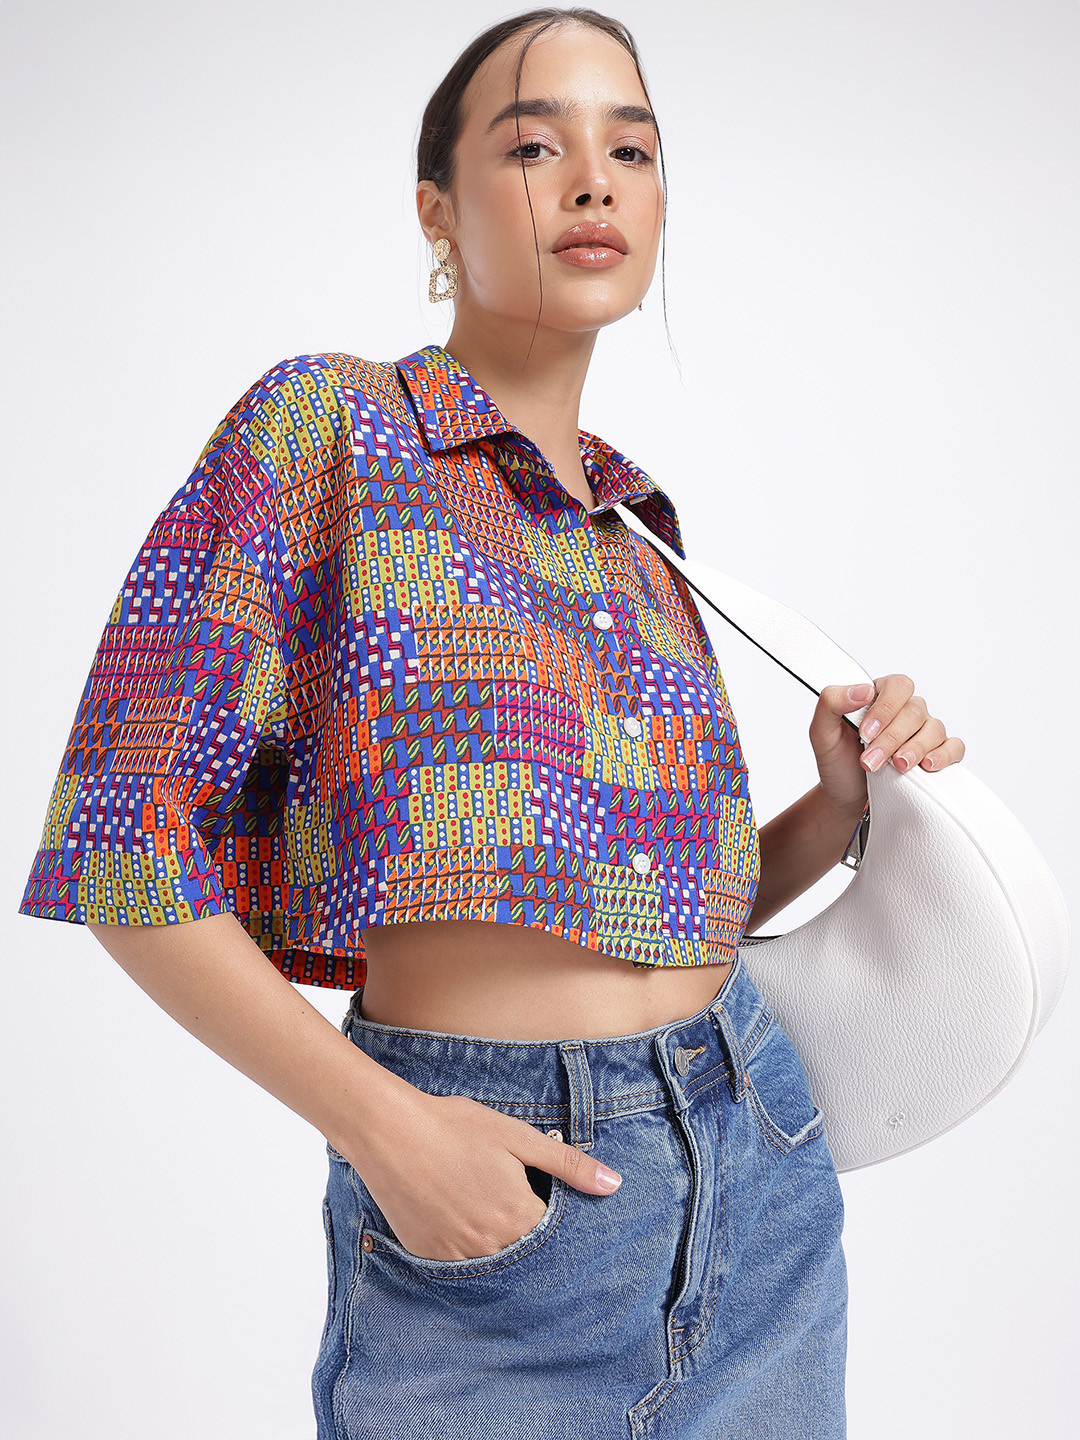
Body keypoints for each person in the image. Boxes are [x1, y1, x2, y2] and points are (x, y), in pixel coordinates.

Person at [18, 7, 965, 1437]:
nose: (593, 180)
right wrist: (386, 1129)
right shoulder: (329, 429)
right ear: (436, 211)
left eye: (631, 150)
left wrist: (835, 805)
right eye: (534, 146)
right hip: (494, 1218)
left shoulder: (642, 532)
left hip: (761, 1183)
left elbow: (654, 917)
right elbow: (117, 838)